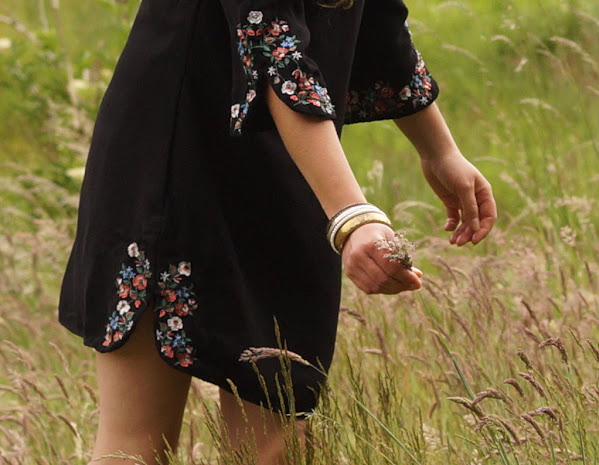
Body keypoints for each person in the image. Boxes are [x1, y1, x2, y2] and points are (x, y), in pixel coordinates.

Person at [57, 0, 496, 463]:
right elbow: (274, 48)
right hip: (171, 156)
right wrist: (353, 216)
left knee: (278, 444)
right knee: (138, 445)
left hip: (288, 164)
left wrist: (439, 150)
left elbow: (375, 18)